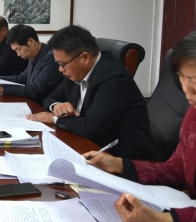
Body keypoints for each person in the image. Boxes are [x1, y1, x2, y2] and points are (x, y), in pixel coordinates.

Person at [85, 25, 196, 222]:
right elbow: (176, 171)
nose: (186, 90)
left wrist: (160, 219)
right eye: (182, 77)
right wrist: (119, 164)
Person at [29, 25, 160, 161]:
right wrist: (56, 106)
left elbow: (90, 127)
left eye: (62, 64)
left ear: (85, 58)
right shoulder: (74, 71)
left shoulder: (114, 77)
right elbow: (50, 97)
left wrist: (54, 119)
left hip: (124, 157)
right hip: (89, 144)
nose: (60, 70)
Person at [0, 24, 61, 105]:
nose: (18, 54)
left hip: (43, 106)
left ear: (31, 42)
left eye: (19, 49)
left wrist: (1, 89)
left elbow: (35, 89)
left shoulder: (51, 57)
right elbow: (22, 78)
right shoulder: (33, 54)